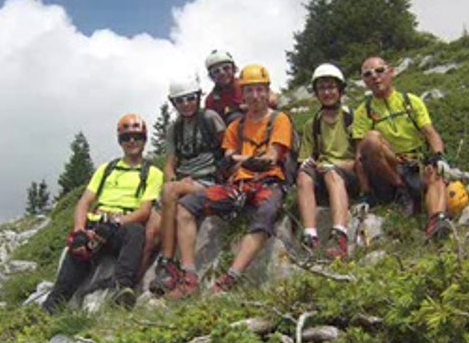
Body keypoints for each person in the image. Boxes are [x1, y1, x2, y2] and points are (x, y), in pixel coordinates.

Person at [168, 64, 294, 298]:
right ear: (243, 95)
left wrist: (239, 158)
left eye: (260, 90)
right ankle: (189, 276)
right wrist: (241, 161)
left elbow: (270, 159)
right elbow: (229, 160)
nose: (255, 96)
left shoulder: (279, 120)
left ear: (267, 92)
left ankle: (231, 277)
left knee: (265, 214)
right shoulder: (236, 127)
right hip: (237, 186)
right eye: (249, 91)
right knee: (185, 207)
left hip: (269, 183)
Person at [42, 114, 164, 314]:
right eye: (126, 138)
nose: (132, 142)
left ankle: (121, 288)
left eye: (137, 137)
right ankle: (53, 305)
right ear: (120, 142)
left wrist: (115, 223)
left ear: (144, 139)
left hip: (122, 226)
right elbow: (84, 202)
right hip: (96, 226)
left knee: (135, 233)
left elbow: (144, 211)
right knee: (77, 251)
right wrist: (79, 231)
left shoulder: (153, 173)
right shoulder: (106, 169)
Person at [352, 56, 452, 241]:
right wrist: (365, 193)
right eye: (368, 74)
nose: (374, 77)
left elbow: (430, 133)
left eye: (380, 71)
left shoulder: (411, 101)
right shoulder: (363, 111)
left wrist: (438, 156)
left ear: (392, 72)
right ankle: (401, 189)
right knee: (372, 139)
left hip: (414, 163)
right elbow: (360, 157)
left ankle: (436, 221)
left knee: (435, 173)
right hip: (388, 170)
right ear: (364, 82)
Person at [145, 78, 226, 296]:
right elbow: (170, 164)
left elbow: (227, 149)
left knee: (170, 192)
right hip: (185, 181)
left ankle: (169, 263)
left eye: (191, 98)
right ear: (174, 103)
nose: (187, 104)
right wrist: (174, 180)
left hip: (210, 179)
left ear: (198, 97)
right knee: (152, 225)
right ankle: (130, 282)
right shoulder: (174, 129)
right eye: (180, 101)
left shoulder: (210, 118)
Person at [296, 63, 360, 260]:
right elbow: (305, 157)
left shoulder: (351, 117)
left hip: (348, 174)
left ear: (340, 90)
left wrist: (335, 166)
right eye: (322, 88)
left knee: (332, 174)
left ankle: (340, 234)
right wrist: (307, 164)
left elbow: (361, 159)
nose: (327, 92)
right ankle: (310, 235)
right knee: (303, 175)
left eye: (331, 87)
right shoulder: (312, 124)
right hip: (323, 174)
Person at [203, 49, 245, 126]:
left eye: (226, 68)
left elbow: (272, 100)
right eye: (216, 71)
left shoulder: (247, 85)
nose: (222, 73)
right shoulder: (211, 100)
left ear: (233, 69)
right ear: (212, 76)